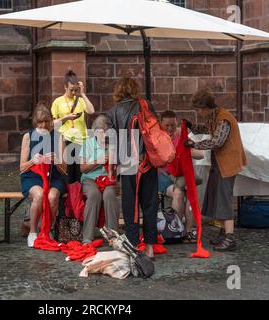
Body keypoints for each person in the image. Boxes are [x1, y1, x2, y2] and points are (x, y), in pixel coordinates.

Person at [184, 88, 247, 251]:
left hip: (228, 164)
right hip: (220, 163)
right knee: (218, 198)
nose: (197, 112)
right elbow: (207, 131)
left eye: (198, 109)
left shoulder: (223, 118)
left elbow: (217, 142)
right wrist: (192, 127)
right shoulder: (214, 116)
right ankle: (223, 233)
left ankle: (230, 238)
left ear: (205, 107)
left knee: (224, 199)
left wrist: (194, 144)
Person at [106, 77, 158, 259]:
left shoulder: (112, 113)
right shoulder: (146, 105)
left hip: (126, 163)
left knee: (130, 205)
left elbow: (112, 143)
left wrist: (112, 169)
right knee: (150, 203)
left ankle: (134, 245)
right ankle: (150, 247)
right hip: (148, 162)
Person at [20, 104, 67, 247]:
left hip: (54, 177)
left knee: (52, 197)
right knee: (40, 195)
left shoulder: (59, 137)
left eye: (46, 121)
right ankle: (33, 232)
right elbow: (22, 168)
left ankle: (46, 230)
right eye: (40, 122)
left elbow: (64, 169)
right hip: (32, 177)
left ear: (51, 121)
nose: (43, 125)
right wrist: (32, 161)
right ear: (35, 122)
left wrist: (56, 161)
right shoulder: (28, 136)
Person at [158, 110, 204, 243]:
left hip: (180, 176)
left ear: (176, 124)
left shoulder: (181, 135)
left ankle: (188, 231)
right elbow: (157, 161)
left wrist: (185, 150)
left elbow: (200, 154)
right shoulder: (158, 138)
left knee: (191, 193)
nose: (170, 129)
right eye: (167, 126)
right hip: (162, 175)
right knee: (178, 194)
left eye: (173, 125)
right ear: (161, 124)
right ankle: (175, 230)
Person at [79, 115, 119, 244]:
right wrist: (97, 161)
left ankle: (113, 236)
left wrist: (112, 167)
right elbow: (83, 168)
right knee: (94, 195)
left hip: (108, 178)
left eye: (107, 130)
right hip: (90, 179)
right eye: (102, 131)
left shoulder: (113, 145)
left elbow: (117, 169)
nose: (105, 134)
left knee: (109, 194)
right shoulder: (88, 144)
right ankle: (87, 237)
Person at [51, 70, 95, 183]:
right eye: (71, 90)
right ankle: (69, 199)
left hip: (81, 141)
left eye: (76, 90)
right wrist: (66, 118)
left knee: (80, 175)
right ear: (65, 87)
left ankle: (78, 199)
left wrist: (83, 93)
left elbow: (91, 111)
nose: (74, 92)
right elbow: (52, 124)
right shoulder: (58, 102)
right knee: (68, 174)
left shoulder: (80, 100)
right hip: (66, 141)